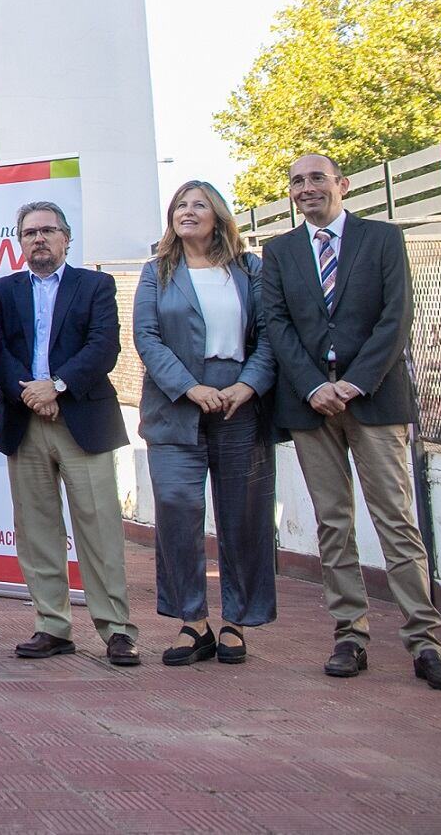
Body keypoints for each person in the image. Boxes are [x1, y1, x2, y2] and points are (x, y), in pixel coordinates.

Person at [257, 153, 441, 691]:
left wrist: (355, 382)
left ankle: (425, 642)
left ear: (341, 185)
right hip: (310, 404)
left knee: (396, 520)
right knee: (333, 523)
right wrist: (314, 386)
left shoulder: (383, 239)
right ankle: (350, 634)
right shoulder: (278, 251)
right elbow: (276, 324)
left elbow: (397, 317)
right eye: (297, 181)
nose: (307, 189)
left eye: (317, 179)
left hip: (373, 399)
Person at [133, 181, 277, 667]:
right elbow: (146, 338)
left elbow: (270, 335)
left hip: (240, 401)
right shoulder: (157, 272)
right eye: (180, 205)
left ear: (218, 216)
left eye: (198, 205)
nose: (187, 212)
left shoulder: (250, 268)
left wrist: (249, 384)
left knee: (243, 515)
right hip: (176, 402)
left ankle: (236, 620)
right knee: (176, 510)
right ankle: (192, 621)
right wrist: (190, 387)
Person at [0, 201, 140, 666]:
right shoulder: (0, 291)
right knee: (37, 531)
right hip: (24, 420)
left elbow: (104, 347)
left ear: (66, 237)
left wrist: (55, 386)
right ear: (18, 240)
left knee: (99, 528)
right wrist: (30, 395)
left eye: (48, 231)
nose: (39, 239)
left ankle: (116, 629)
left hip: (82, 421)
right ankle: (52, 625)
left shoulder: (95, 285)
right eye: (30, 232)